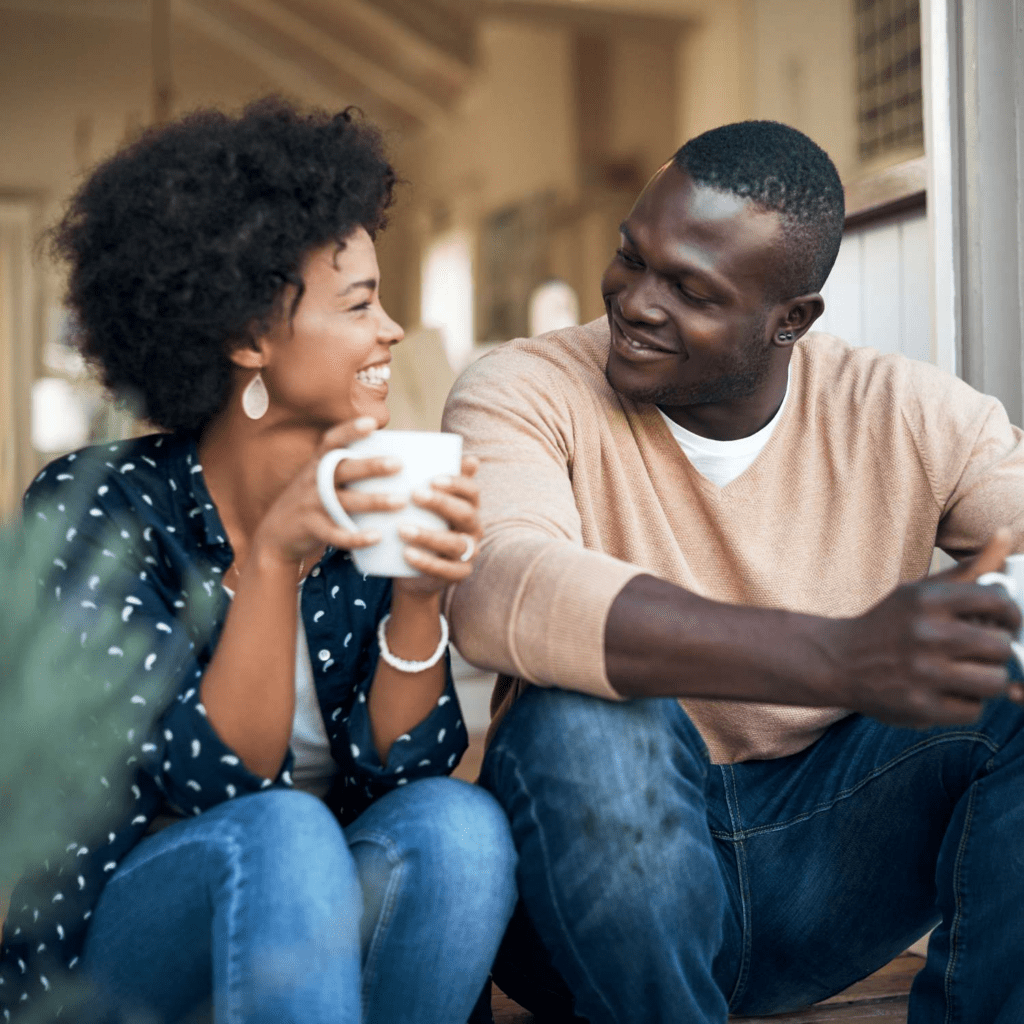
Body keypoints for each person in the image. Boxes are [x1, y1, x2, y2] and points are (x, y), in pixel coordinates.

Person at [443, 120, 1024, 1024]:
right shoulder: (523, 388)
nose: (636, 302)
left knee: (1007, 681)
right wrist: (837, 656)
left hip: (827, 876)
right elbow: (499, 588)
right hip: (592, 900)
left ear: (792, 319)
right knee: (583, 715)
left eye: (690, 289)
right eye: (632, 258)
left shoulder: (911, 413)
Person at [0, 98, 517, 1024]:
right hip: (126, 957)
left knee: (461, 828)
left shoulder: (367, 496)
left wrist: (418, 597)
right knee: (280, 833)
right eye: (359, 303)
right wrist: (274, 559)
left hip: (312, 951)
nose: (392, 329)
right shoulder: (105, 510)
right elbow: (215, 786)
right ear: (246, 338)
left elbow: (404, 776)